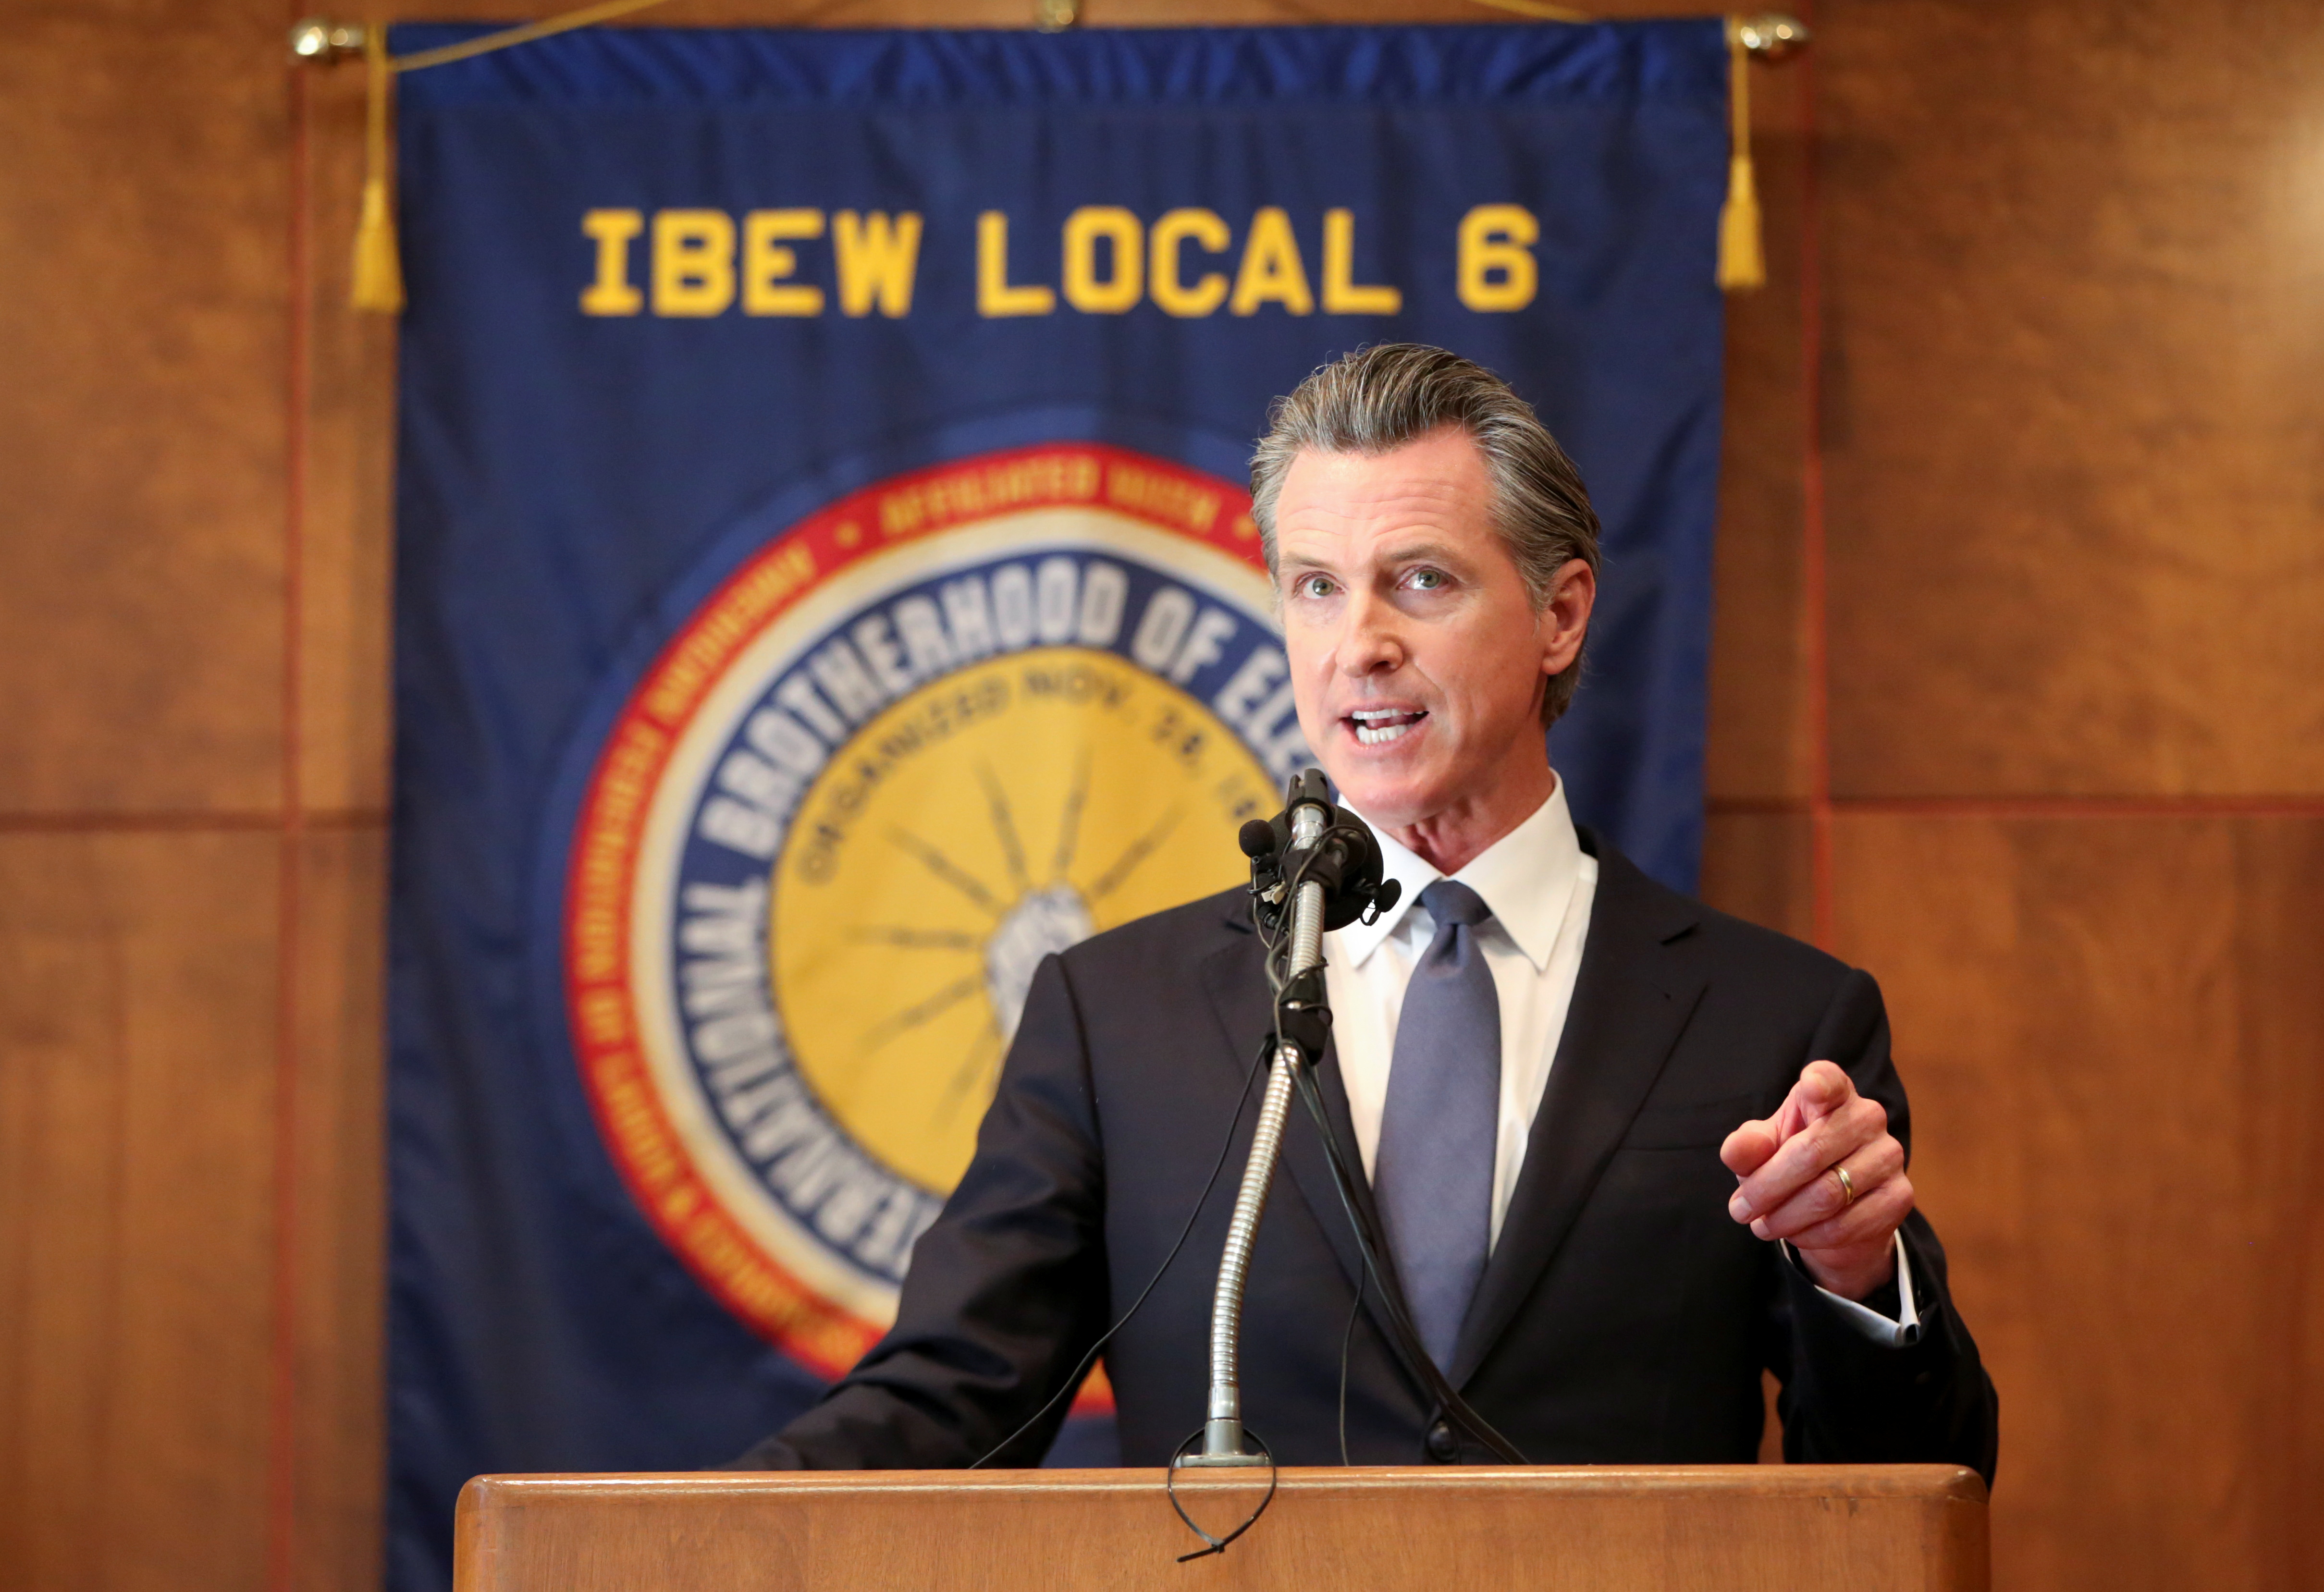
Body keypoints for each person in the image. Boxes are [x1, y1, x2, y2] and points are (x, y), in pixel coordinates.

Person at [737, 344, 1997, 1475]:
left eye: (1423, 581)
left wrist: (1853, 1278)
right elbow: (954, 1400)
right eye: (1316, 587)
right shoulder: (1115, 1018)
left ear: (1560, 615)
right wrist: (689, 1538)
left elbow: (1911, 1484)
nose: (1361, 644)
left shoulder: (1773, 1019)